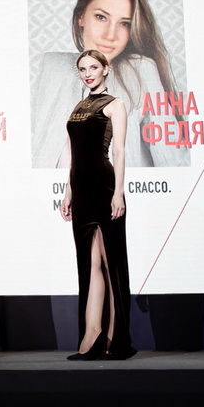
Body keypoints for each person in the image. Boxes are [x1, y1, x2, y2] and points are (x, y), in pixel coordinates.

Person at [31, 0, 189, 168]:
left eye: (124, 23)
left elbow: (173, 161)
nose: (110, 35)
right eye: (101, 17)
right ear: (81, 16)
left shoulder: (141, 70)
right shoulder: (51, 67)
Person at [59, 50, 135, 361]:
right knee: (89, 266)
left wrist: (118, 192)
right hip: (81, 190)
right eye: (82, 69)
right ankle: (92, 335)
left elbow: (119, 152)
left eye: (93, 67)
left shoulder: (115, 104)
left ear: (106, 69)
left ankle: (116, 341)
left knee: (110, 263)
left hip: (104, 187)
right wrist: (68, 192)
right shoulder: (78, 107)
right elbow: (73, 157)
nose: (88, 73)